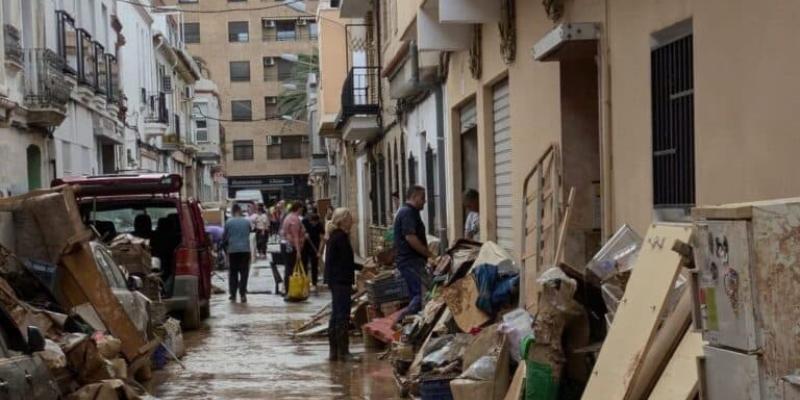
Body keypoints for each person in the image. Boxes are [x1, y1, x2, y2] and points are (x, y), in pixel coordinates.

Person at [324, 208, 362, 361]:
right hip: (340, 280)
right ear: (343, 220)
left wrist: (362, 267)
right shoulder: (340, 237)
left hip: (335, 280)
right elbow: (346, 262)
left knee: (336, 315)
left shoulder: (335, 236)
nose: (352, 221)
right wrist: (362, 267)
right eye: (350, 218)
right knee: (342, 315)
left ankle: (334, 352)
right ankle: (344, 353)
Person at [393, 185, 434, 324]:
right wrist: (428, 253)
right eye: (423, 198)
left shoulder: (410, 212)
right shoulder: (407, 213)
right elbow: (410, 237)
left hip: (411, 261)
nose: (425, 201)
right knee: (420, 295)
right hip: (411, 261)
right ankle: (400, 320)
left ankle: (409, 324)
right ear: (415, 197)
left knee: (416, 294)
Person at [223, 204, 253, 303]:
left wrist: (226, 249)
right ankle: (243, 294)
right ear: (240, 211)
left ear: (232, 211)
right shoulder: (246, 221)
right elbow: (249, 232)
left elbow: (225, 238)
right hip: (245, 250)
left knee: (233, 273)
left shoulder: (228, 222)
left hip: (233, 250)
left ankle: (233, 294)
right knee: (244, 272)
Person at [280, 201, 306, 299]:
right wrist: (298, 251)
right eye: (301, 209)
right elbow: (295, 236)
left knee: (289, 267)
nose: (302, 211)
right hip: (290, 245)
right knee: (290, 268)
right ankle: (289, 290)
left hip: (286, 244)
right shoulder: (294, 219)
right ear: (298, 208)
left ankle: (288, 290)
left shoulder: (288, 217)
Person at [302, 213, 324, 290]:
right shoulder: (305, 221)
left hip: (315, 246)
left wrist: (319, 251)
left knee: (314, 265)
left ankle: (314, 283)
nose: (313, 224)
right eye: (311, 222)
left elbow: (322, 239)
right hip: (305, 246)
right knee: (304, 264)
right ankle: (305, 282)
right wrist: (304, 235)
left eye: (314, 223)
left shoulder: (320, 225)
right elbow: (300, 231)